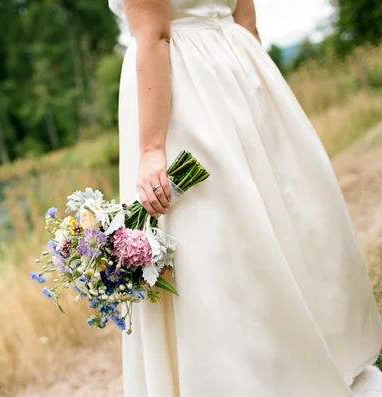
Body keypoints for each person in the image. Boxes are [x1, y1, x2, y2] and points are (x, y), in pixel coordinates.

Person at [109, 0, 382, 396]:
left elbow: (156, 32)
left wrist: (151, 148)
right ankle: (309, 352)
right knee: (270, 211)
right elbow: (246, 17)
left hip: (185, 87)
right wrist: (252, 94)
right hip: (239, 67)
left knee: (211, 236)